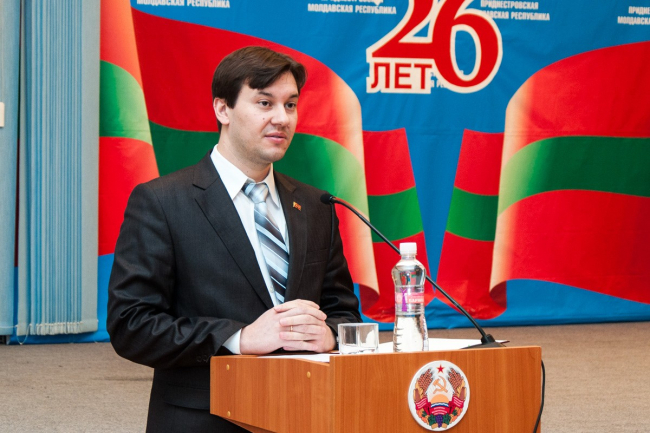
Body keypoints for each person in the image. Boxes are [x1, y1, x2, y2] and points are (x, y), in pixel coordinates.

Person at [107, 46, 361, 432]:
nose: (282, 118)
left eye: (291, 105)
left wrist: (328, 335)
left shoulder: (315, 205)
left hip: (304, 412)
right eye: (265, 103)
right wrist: (238, 338)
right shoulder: (162, 202)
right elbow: (132, 325)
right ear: (222, 109)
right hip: (204, 417)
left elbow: (343, 313)